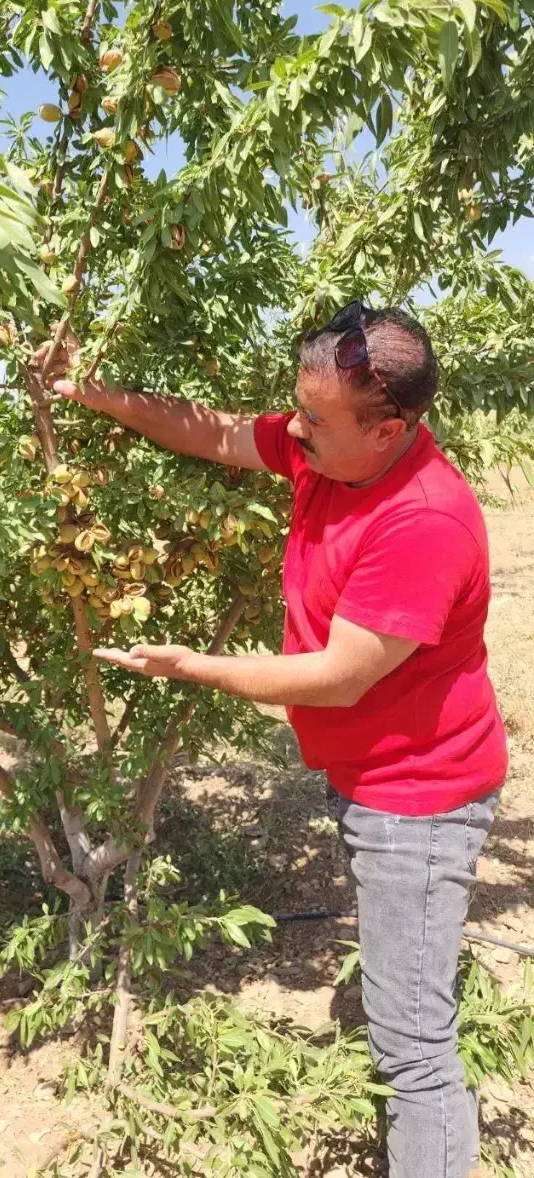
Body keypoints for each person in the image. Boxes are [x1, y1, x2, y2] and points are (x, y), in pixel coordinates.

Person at [33, 301, 506, 1178]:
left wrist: (192, 666)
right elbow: (216, 435)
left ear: (390, 428)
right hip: (371, 769)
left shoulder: (424, 521)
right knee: (401, 1006)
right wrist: (94, 393)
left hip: (420, 795)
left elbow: (339, 675)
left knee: (414, 1047)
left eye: (315, 419)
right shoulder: (334, 450)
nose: (295, 428)